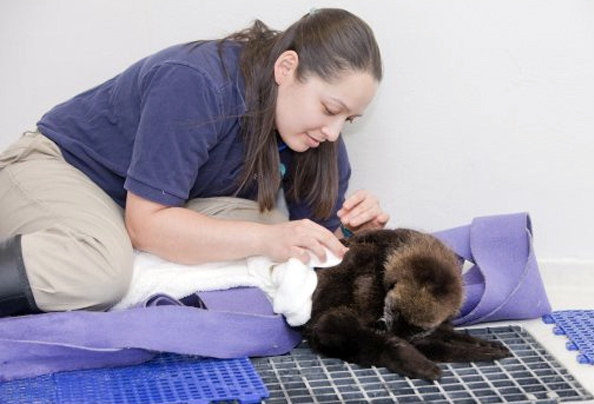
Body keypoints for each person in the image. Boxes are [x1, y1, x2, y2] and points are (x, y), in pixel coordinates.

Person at [0, 8, 389, 318]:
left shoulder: (318, 137)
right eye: (330, 109)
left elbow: (317, 248)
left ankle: (117, 249)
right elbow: (145, 224)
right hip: (61, 168)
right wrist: (268, 241)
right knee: (100, 273)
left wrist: (354, 234)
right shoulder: (196, 82)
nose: (334, 132)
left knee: (278, 229)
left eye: (348, 120)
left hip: (132, 207)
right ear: (286, 68)